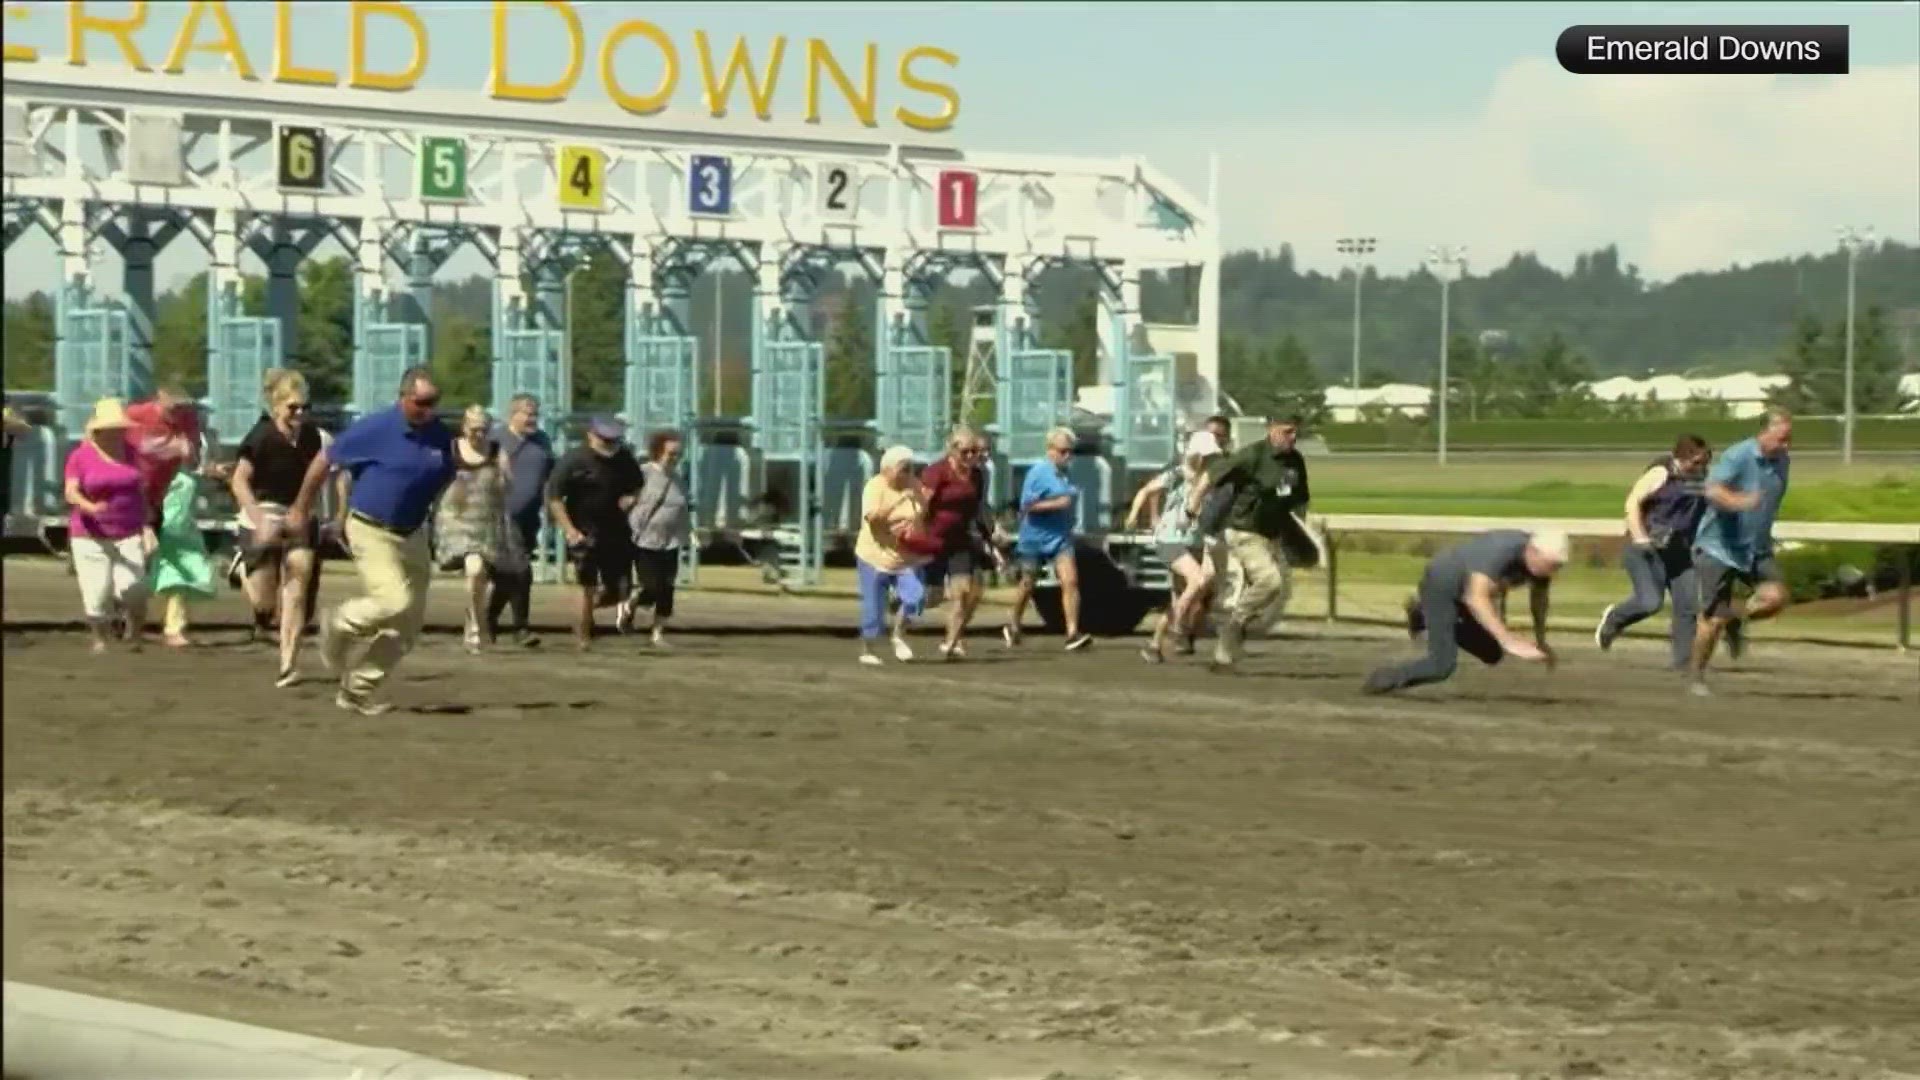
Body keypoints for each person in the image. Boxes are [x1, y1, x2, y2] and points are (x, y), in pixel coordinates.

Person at [287, 367, 456, 715]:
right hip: (371, 528)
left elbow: (446, 473)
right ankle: (339, 621)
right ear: (404, 397)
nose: (429, 409)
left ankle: (357, 690)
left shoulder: (440, 436)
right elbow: (325, 460)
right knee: (393, 600)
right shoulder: (376, 428)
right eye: (422, 402)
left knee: (407, 626)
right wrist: (301, 507)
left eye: (434, 402)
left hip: (412, 533)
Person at [1362, 529, 1568, 694]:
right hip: (1442, 583)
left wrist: (1540, 639)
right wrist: (1509, 640)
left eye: (1558, 567)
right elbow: (1476, 597)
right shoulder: (1500, 551)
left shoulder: (1539, 565)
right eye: (1551, 565)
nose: (1553, 572)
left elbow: (1539, 599)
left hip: (1466, 593)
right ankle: (1382, 680)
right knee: (1441, 666)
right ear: (1533, 551)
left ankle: (1424, 617)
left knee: (1492, 653)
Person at [232, 370, 338, 686]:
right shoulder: (260, 437)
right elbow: (239, 480)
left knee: (299, 577)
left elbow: (328, 477)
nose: (300, 413)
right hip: (263, 510)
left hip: (299, 514)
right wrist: (258, 517)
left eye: (305, 407)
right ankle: (242, 568)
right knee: (265, 604)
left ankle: (288, 663)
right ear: (276, 406)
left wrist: (329, 517)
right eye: (293, 407)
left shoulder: (314, 438)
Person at [1183, 415, 1311, 670]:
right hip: (1244, 531)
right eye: (1287, 431)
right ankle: (1235, 624)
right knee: (1270, 580)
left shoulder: (1295, 461)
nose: (1293, 437)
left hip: (1272, 533)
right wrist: (1193, 506)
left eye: (1296, 432)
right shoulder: (1251, 455)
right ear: (1272, 430)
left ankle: (1223, 654)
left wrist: (1300, 532)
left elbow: (1300, 499)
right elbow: (1211, 475)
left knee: (1275, 591)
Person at [1688, 411, 1793, 696]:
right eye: (1782, 439)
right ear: (1764, 432)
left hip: (1755, 549)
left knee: (1776, 598)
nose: (1786, 446)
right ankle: (1697, 676)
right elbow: (1712, 491)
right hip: (1717, 549)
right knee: (1711, 620)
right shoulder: (1739, 456)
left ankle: (1736, 618)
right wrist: (1740, 501)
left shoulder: (1782, 461)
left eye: (1789, 440)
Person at [1596, 434, 1712, 668]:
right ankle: (1614, 619)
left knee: (1688, 605)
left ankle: (1683, 662)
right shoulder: (1660, 473)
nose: (1701, 467)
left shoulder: (1701, 479)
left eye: (1704, 462)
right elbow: (1632, 503)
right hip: (1646, 548)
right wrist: (1640, 538)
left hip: (1679, 551)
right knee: (1650, 602)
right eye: (1696, 462)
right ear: (1681, 457)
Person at [546, 416, 645, 651]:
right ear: (590, 435)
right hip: (583, 530)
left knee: (619, 590)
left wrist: (632, 498)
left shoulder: (624, 459)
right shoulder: (573, 460)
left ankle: (586, 611)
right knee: (586, 584)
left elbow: (638, 485)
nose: (610, 444)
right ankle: (583, 635)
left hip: (616, 530)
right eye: (605, 439)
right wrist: (569, 529)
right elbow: (555, 497)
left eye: (614, 440)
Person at [1127, 429, 1226, 663]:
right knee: (1198, 581)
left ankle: (1153, 645)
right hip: (1170, 539)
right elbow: (1147, 490)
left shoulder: (1211, 478)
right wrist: (1134, 516)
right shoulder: (1179, 474)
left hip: (1193, 541)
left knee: (1186, 592)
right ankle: (1179, 624)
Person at [64, 399, 154, 654]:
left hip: (129, 530)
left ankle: (134, 634)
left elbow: (142, 491)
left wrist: (148, 526)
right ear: (98, 431)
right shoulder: (80, 456)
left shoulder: (133, 453)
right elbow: (71, 492)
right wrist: (89, 507)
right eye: (112, 429)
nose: (118, 433)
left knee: (134, 587)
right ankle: (99, 638)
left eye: (120, 428)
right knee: (97, 591)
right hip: (89, 533)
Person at [917, 424, 1004, 660]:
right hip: (934, 539)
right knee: (931, 597)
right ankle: (902, 604)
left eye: (974, 452)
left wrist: (991, 537)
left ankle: (951, 643)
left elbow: (978, 508)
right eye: (964, 451)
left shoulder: (977, 475)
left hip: (960, 541)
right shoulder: (936, 472)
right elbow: (921, 505)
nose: (970, 456)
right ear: (950, 449)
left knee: (963, 592)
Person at [1002, 426, 1092, 651]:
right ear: (1050, 450)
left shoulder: (1064, 474)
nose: (1067, 456)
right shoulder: (1038, 472)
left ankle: (1072, 632)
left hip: (1059, 537)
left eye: (1071, 451)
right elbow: (1027, 507)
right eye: (1063, 451)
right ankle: (1013, 622)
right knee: (1028, 583)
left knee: (1070, 581)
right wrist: (1057, 503)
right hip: (1034, 537)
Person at [433, 405, 510, 654]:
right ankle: (476, 627)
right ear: (465, 428)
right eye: (474, 429)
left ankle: (474, 619)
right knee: (474, 569)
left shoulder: (497, 451)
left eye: (484, 430)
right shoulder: (452, 449)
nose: (479, 435)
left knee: (478, 576)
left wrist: (501, 479)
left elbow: (508, 486)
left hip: (485, 520)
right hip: (456, 520)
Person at [854, 445, 936, 666]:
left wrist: (915, 527)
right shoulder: (874, 487)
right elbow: (872, 520)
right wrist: (897, 502)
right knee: (874, 606)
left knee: (916, 597)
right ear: (887, 469)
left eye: (911, 468)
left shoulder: (915, 486)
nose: (909, 473)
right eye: (903, 468)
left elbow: (922, 515)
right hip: (874, 555)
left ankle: (898, 635)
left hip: (905, 557)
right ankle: (868, 649)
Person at [487, 394, 554, 647]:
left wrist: (551, 508)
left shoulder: (542, 441)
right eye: (527, 413)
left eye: (535, 414)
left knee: (509, 575)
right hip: (501, 517)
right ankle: (520, 628)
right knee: (521, 572)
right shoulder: (496, 440)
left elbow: (549, 476)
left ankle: (489, 620)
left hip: (529, 518)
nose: (532, 419)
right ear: (512, 415)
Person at [618, 428, 693, 647]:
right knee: (652, 586)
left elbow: (682, 509)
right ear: (658, 451)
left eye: (679, 454)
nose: (675, 458)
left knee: (667, 589)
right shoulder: (644, 473)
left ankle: (657, 633)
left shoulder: (679, 479)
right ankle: (632, 604)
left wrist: (690, 534)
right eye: (671, 453)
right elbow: (624, 498)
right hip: (644, 539)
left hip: (671, 541)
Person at [147, 437, 218, 648]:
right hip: (162, 529)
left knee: (181, 579)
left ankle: (174, 627)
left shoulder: (186, 473)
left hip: (184, 533)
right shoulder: (159, 474)